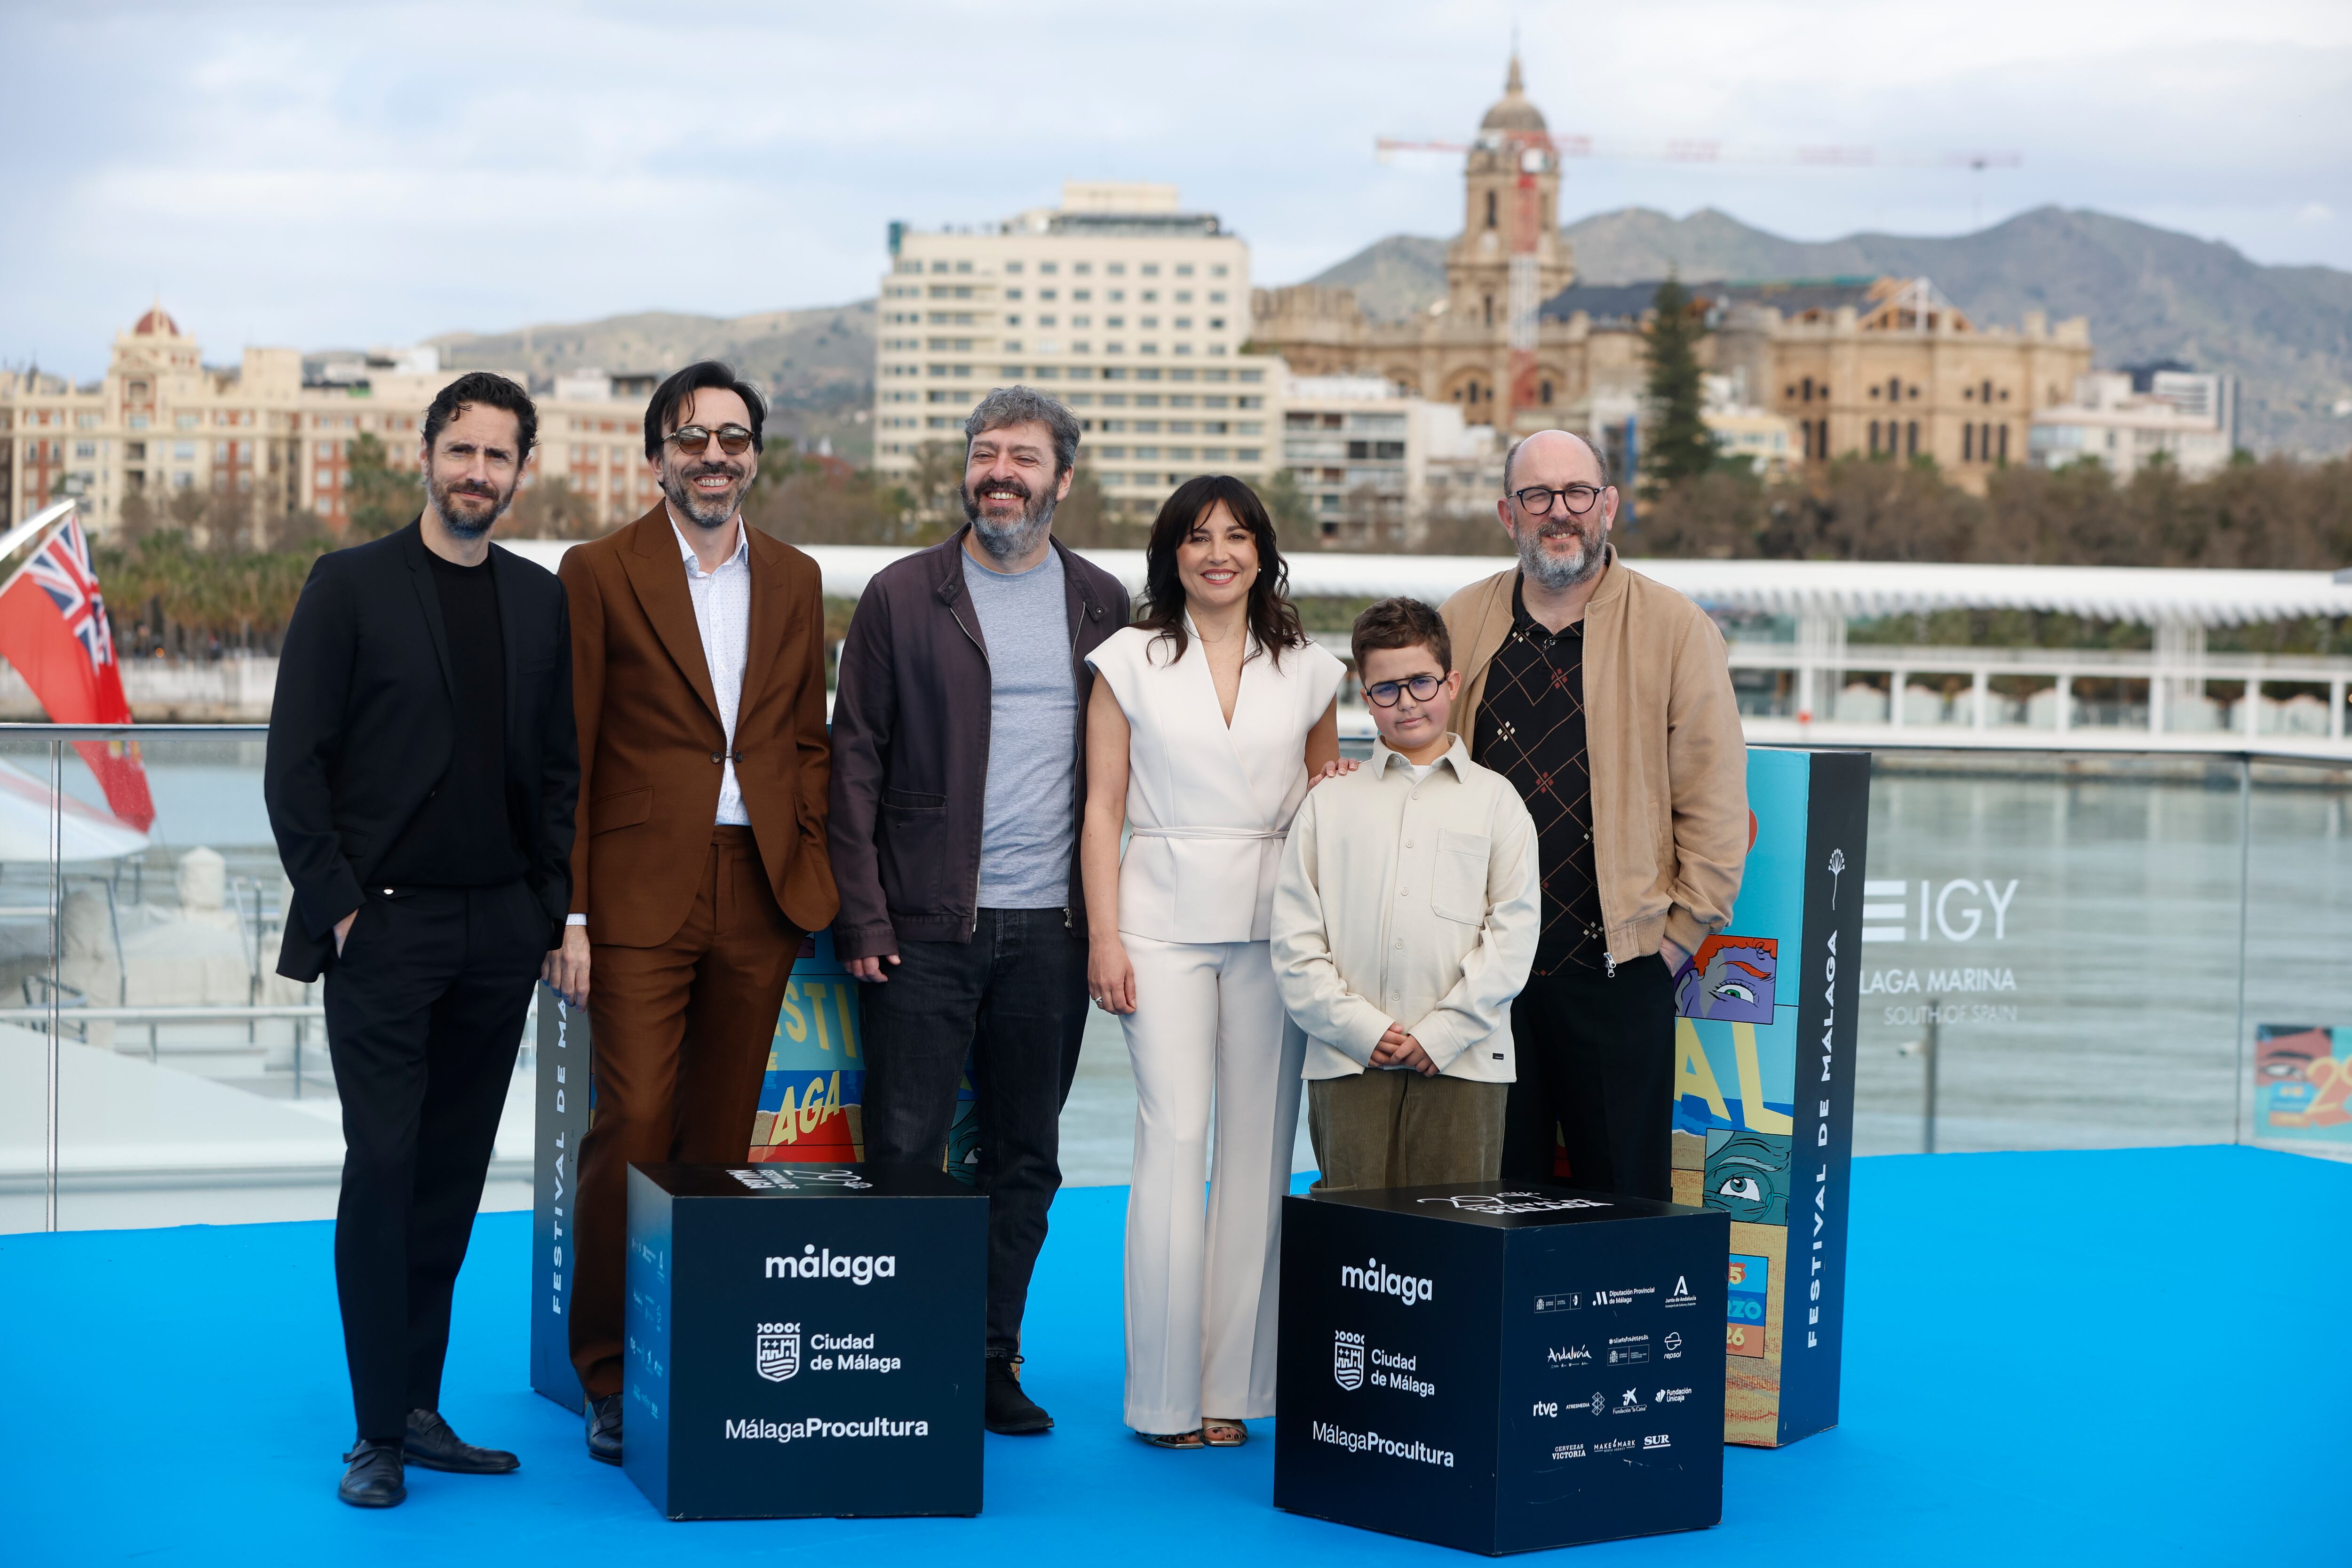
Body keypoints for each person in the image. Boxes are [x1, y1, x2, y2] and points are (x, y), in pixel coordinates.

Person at [265, 371, 579, 1509]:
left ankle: (419, 1407)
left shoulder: (540, 602)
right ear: (427, 452)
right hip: (383, 929)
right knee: (384, 1169)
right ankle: (371, 1434)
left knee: (449, 1178)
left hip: (499, 931)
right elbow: (294, 764)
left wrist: (550, 905)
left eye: (498, 457)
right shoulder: (347, 586)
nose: (477, 474)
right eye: (462, 450)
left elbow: (559, 772)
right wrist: (343, 906)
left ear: (518, 473)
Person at [829, 386, 1128, 1436]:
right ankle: (900, 1347)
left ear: (1063, 480)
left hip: (1051, 934)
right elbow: (852, 760)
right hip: (922, 925)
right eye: (985, 452)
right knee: (907, 1149)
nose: (1000, 472)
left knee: (1024, 1156)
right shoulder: (903, 593)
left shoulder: (1101, 604)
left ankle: (991, 1353)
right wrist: (862, 917)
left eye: (1024, 458)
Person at [556, 361, 837, 1465]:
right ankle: (609, 1373)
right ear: (657, 454)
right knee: (630, 1127)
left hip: (760, 890)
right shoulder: (597, 571)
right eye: (691, 439)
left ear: (754, 453)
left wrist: (808, 869)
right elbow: (569, 749)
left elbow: (804, 740)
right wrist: (569, 913)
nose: (713, 457)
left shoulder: (799, 575)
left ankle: (697, 1347)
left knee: (723, 1143)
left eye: (731, 438)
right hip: (632, 893)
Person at [1082, 476, 1348, 1450]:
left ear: (1262, 552)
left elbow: (1324, 804)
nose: (1217, 552)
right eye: (1197, 537)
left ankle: (1234, 1384)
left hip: (1276, 933)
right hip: (1155, 927)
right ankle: (1159, 1396)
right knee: (1171, 1138)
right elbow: (1101, 809)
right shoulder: (1127, 660)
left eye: (1236, 535)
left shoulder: (1313, 670)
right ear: (1172, 555)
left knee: (1257, 1155)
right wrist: (1103, 937)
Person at [1439, 430, 1748, 1201]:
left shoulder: (1676, 628)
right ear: (1507, 513)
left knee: (1623, 1208)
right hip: (1484, 978)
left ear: (1608, 505)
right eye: (1537, 496)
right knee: (1493, 1207)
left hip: (1618, 970)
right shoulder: (1460, 621)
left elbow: (1713, 802)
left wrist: (1672, 947)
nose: (1559, 513)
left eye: (1577, 493)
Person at [1272, 597, 1540, 1192]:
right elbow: (1294, 942)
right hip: (1348, 1060)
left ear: (1451, 682)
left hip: (1465, 1060)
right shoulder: (1327, 802)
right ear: (1364, 699)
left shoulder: (1497, 802)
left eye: (1420, 682)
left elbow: (1513, 936)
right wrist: (1357, 1029)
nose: (1407, 703)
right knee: (1354, 1246)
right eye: (1385, 689)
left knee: (1454, 1244)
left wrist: (1443, 1031)